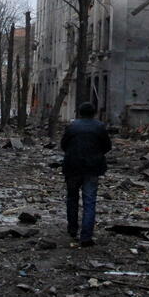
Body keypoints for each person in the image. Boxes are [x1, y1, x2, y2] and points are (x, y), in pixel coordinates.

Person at [61, 101, 111, 247]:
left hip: (72, 167)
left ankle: (72, 229)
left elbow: (64, 145)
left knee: (72, 198)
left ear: (79, 113)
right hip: (92, 168)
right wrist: (96, 154)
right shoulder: (100, 127)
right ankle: (86, 237)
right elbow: (107, 146)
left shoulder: (72, 126)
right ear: (93, 113)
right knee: (90, 201)